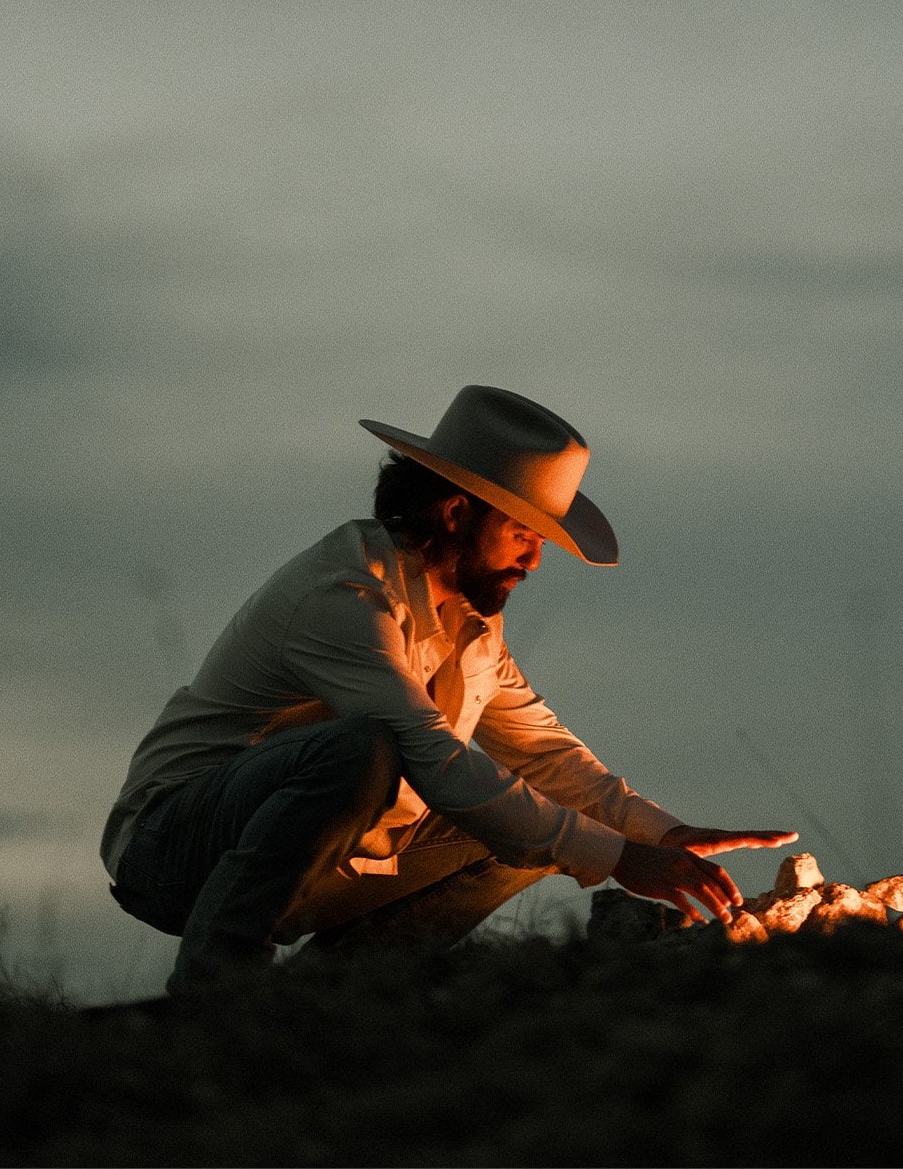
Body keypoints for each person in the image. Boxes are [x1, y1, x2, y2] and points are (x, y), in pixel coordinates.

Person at [100, 384, 795, 993]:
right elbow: (428, 753)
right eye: (523, 532)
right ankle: (218, 989)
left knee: (535, 817)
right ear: (458, 514)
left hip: (314, 861)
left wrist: (662, 833)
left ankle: (339, 994)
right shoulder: (344, 595)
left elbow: (546, 753)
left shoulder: (469, 620)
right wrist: (622, 858)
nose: (535, 558)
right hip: (172, 850)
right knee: (365, 751)